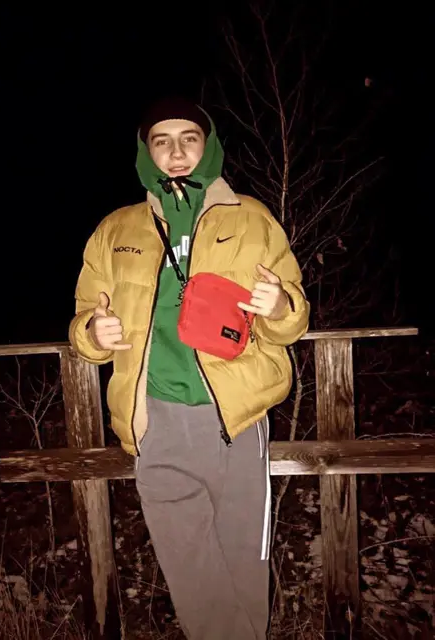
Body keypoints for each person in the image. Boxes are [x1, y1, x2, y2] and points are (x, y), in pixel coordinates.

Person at [69, 96, 310, 640]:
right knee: (191, 570)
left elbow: (292, 320)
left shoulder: (252, 218)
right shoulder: (116, 229)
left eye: (189, 139)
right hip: (155, 421)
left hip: (237, 420)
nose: (176, 152)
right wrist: (91, 333)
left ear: (209, 146)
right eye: (162, 141)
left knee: (244, 564)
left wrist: (280, 307)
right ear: (145, 153)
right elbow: (85, 319)